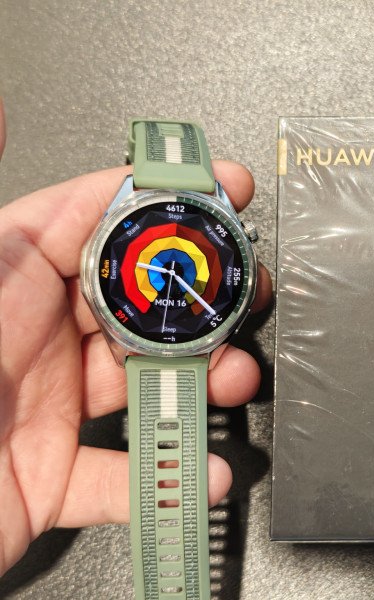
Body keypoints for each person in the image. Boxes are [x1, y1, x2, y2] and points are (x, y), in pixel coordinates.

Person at [0, 101, 272, 576]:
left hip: (192, 339)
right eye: (164, 267)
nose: (173, 271)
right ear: (93, 267)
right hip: (144, 336)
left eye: (177, 270)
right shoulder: (103, 267)